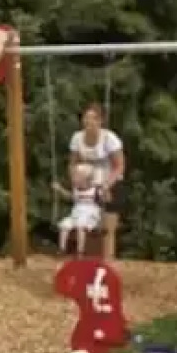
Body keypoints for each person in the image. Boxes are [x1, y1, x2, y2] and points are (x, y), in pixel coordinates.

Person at [68, 103, 126, 263]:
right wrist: (75, 180)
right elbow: (72, 163)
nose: (89, 121)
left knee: (107, 227)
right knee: (85, 224)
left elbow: (119, 166)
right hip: (87, 184)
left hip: (110, 182)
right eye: (86, 118)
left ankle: (108, 262)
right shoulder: (77, 138)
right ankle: (87, 262)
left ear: (100, 121)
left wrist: (106, 185)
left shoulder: (109, 138)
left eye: (93, 118)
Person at [53, 161, 102, 256]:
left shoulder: (95, 190)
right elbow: (71, 197)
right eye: (74, 176)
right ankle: (62, 249)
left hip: (90, 217)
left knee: (80, 227)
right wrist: (59, 189)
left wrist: (104, 190)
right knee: (64, 225)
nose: (73, 178)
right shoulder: (76, 189)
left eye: (76, 176)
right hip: (75, 215)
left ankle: (80, 251)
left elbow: (104, 201)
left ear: (86, 179)